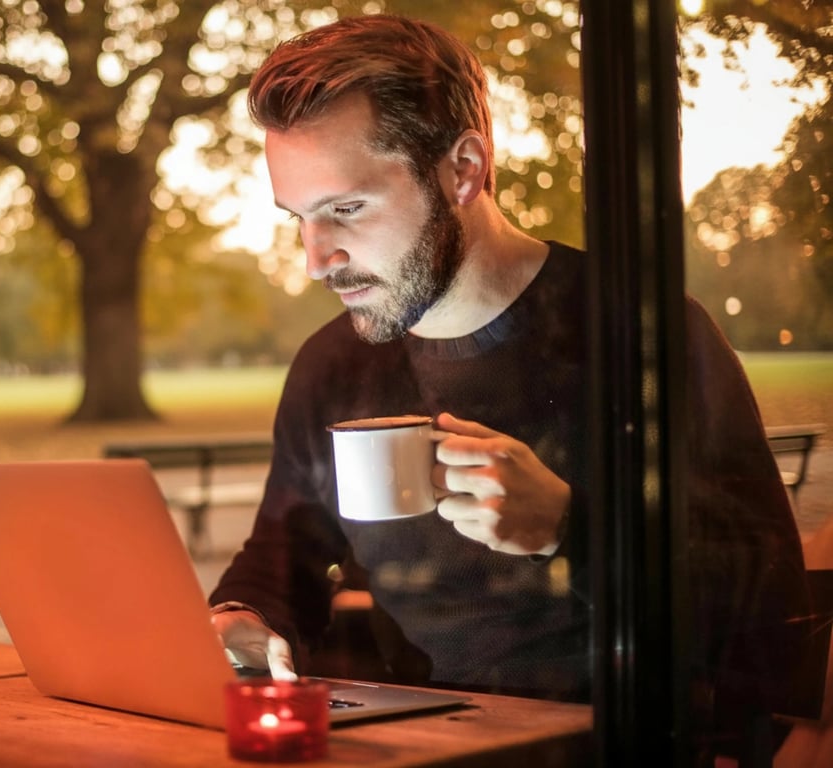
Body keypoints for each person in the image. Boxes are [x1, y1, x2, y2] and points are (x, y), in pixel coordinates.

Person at [207, 12, 810, 760]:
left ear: (462, 169)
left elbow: (769, 603)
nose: (316, 259)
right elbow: (284, 555)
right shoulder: (331, 365)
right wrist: (239, 616)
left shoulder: (642, 334)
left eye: (346, 209)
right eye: (298, 219)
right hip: (419, 749)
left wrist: (569, 529)